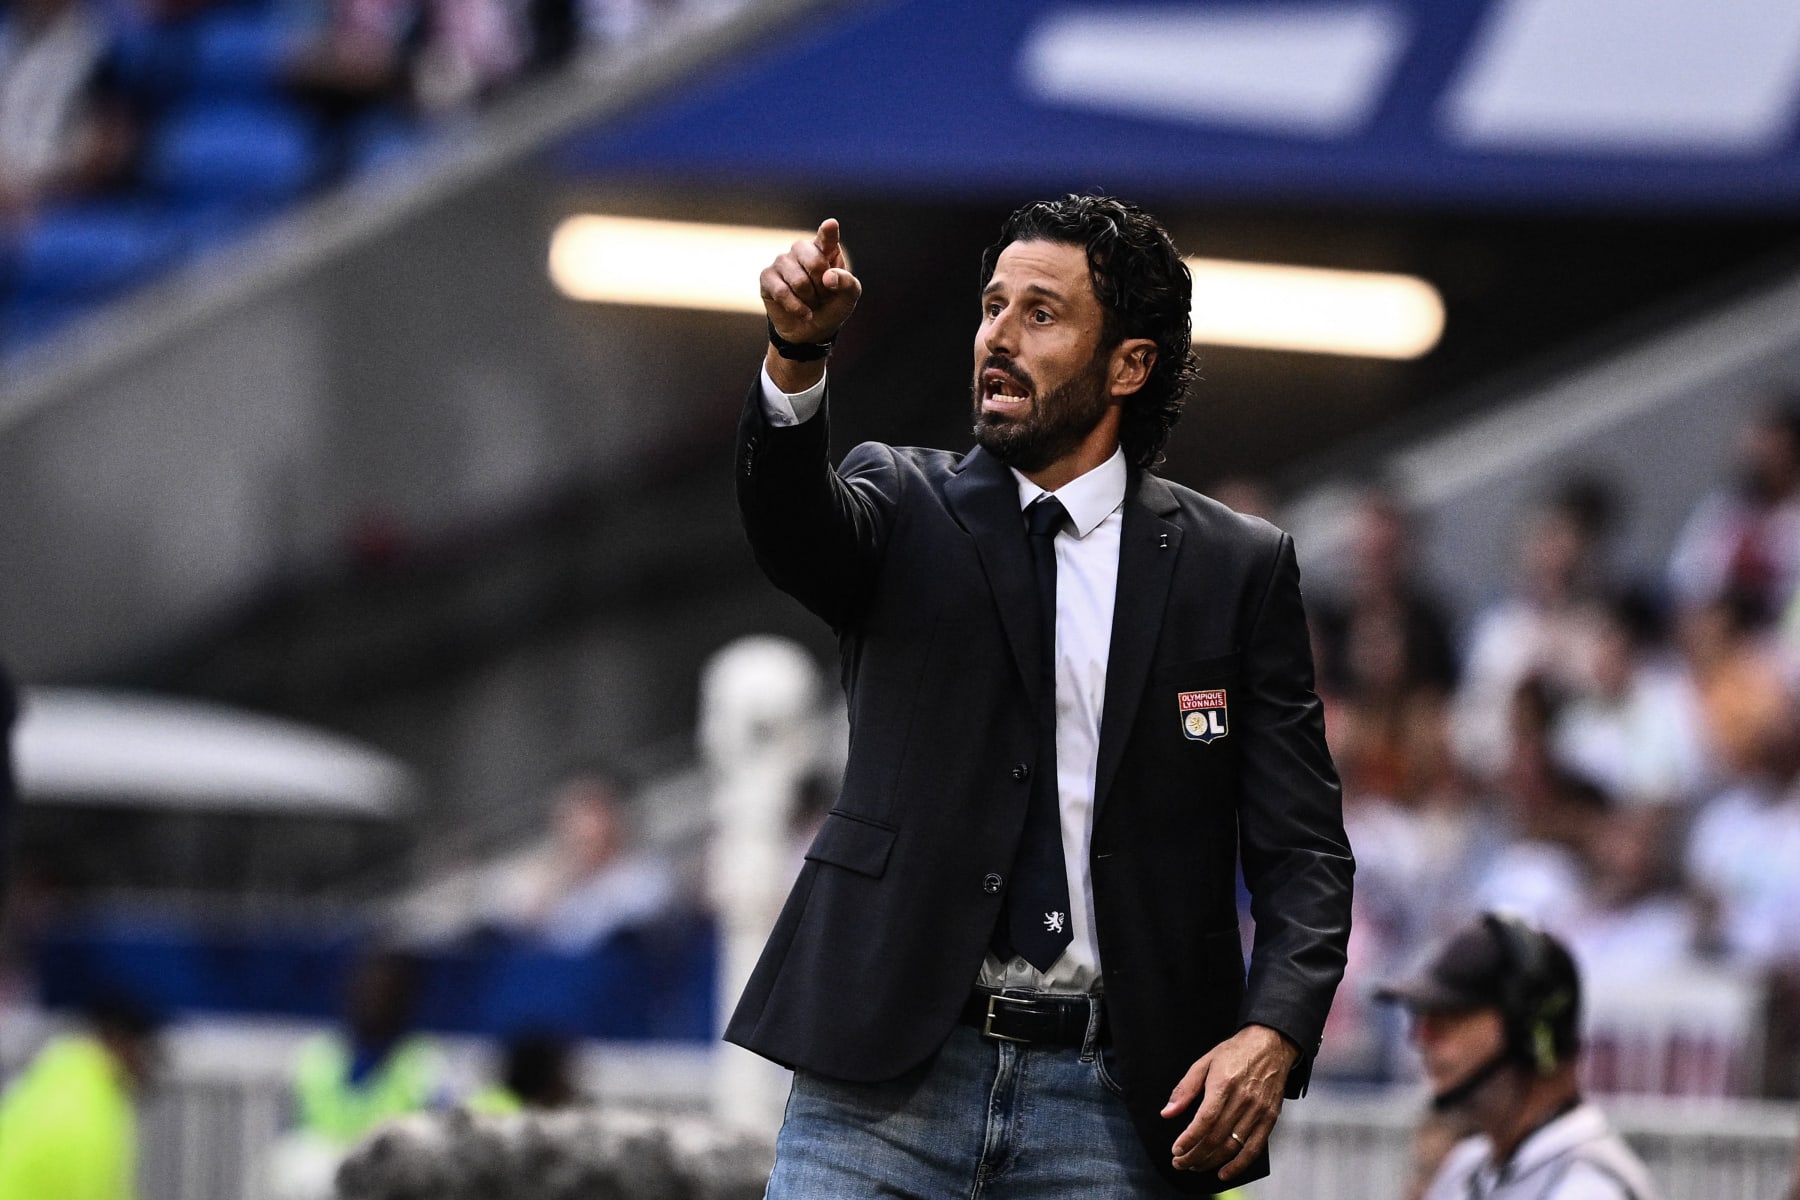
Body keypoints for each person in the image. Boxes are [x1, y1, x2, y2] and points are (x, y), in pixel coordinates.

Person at [731, 194, 1353, 1196]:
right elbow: (789, 526)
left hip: (1114, 1107)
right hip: (881, 1092)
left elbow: (1305, 853)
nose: (999, 337)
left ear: (1129, 365)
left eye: (1041, 313)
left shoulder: (1236, 569)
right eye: (992, 306)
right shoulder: (902, 501)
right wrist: (795, 358)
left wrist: (1275, 1031)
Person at [1376, 912, 1661, 1200]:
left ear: (1528, 1031)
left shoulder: (1592, 1188)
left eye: (1449, 1016)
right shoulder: (1465, 1170)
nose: (1421, 1037)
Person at [0, 997, 160, 1200]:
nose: (151, 1067)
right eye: (151, 1051)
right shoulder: (92, 1114)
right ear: (122, 1041)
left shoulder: (54, 1082)